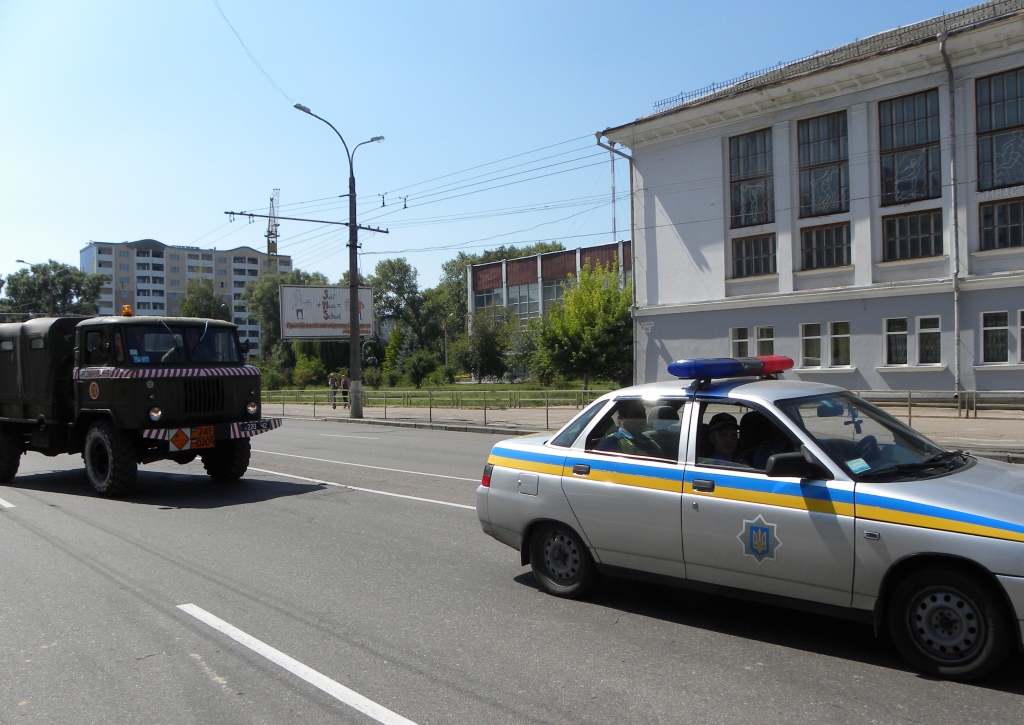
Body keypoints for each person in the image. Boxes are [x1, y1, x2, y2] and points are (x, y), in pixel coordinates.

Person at [596, 400, 664, 457]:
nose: (642, 417)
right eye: (636, 414)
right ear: (620, 419)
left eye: (643, 413)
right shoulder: (611, 442)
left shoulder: (650, 440)